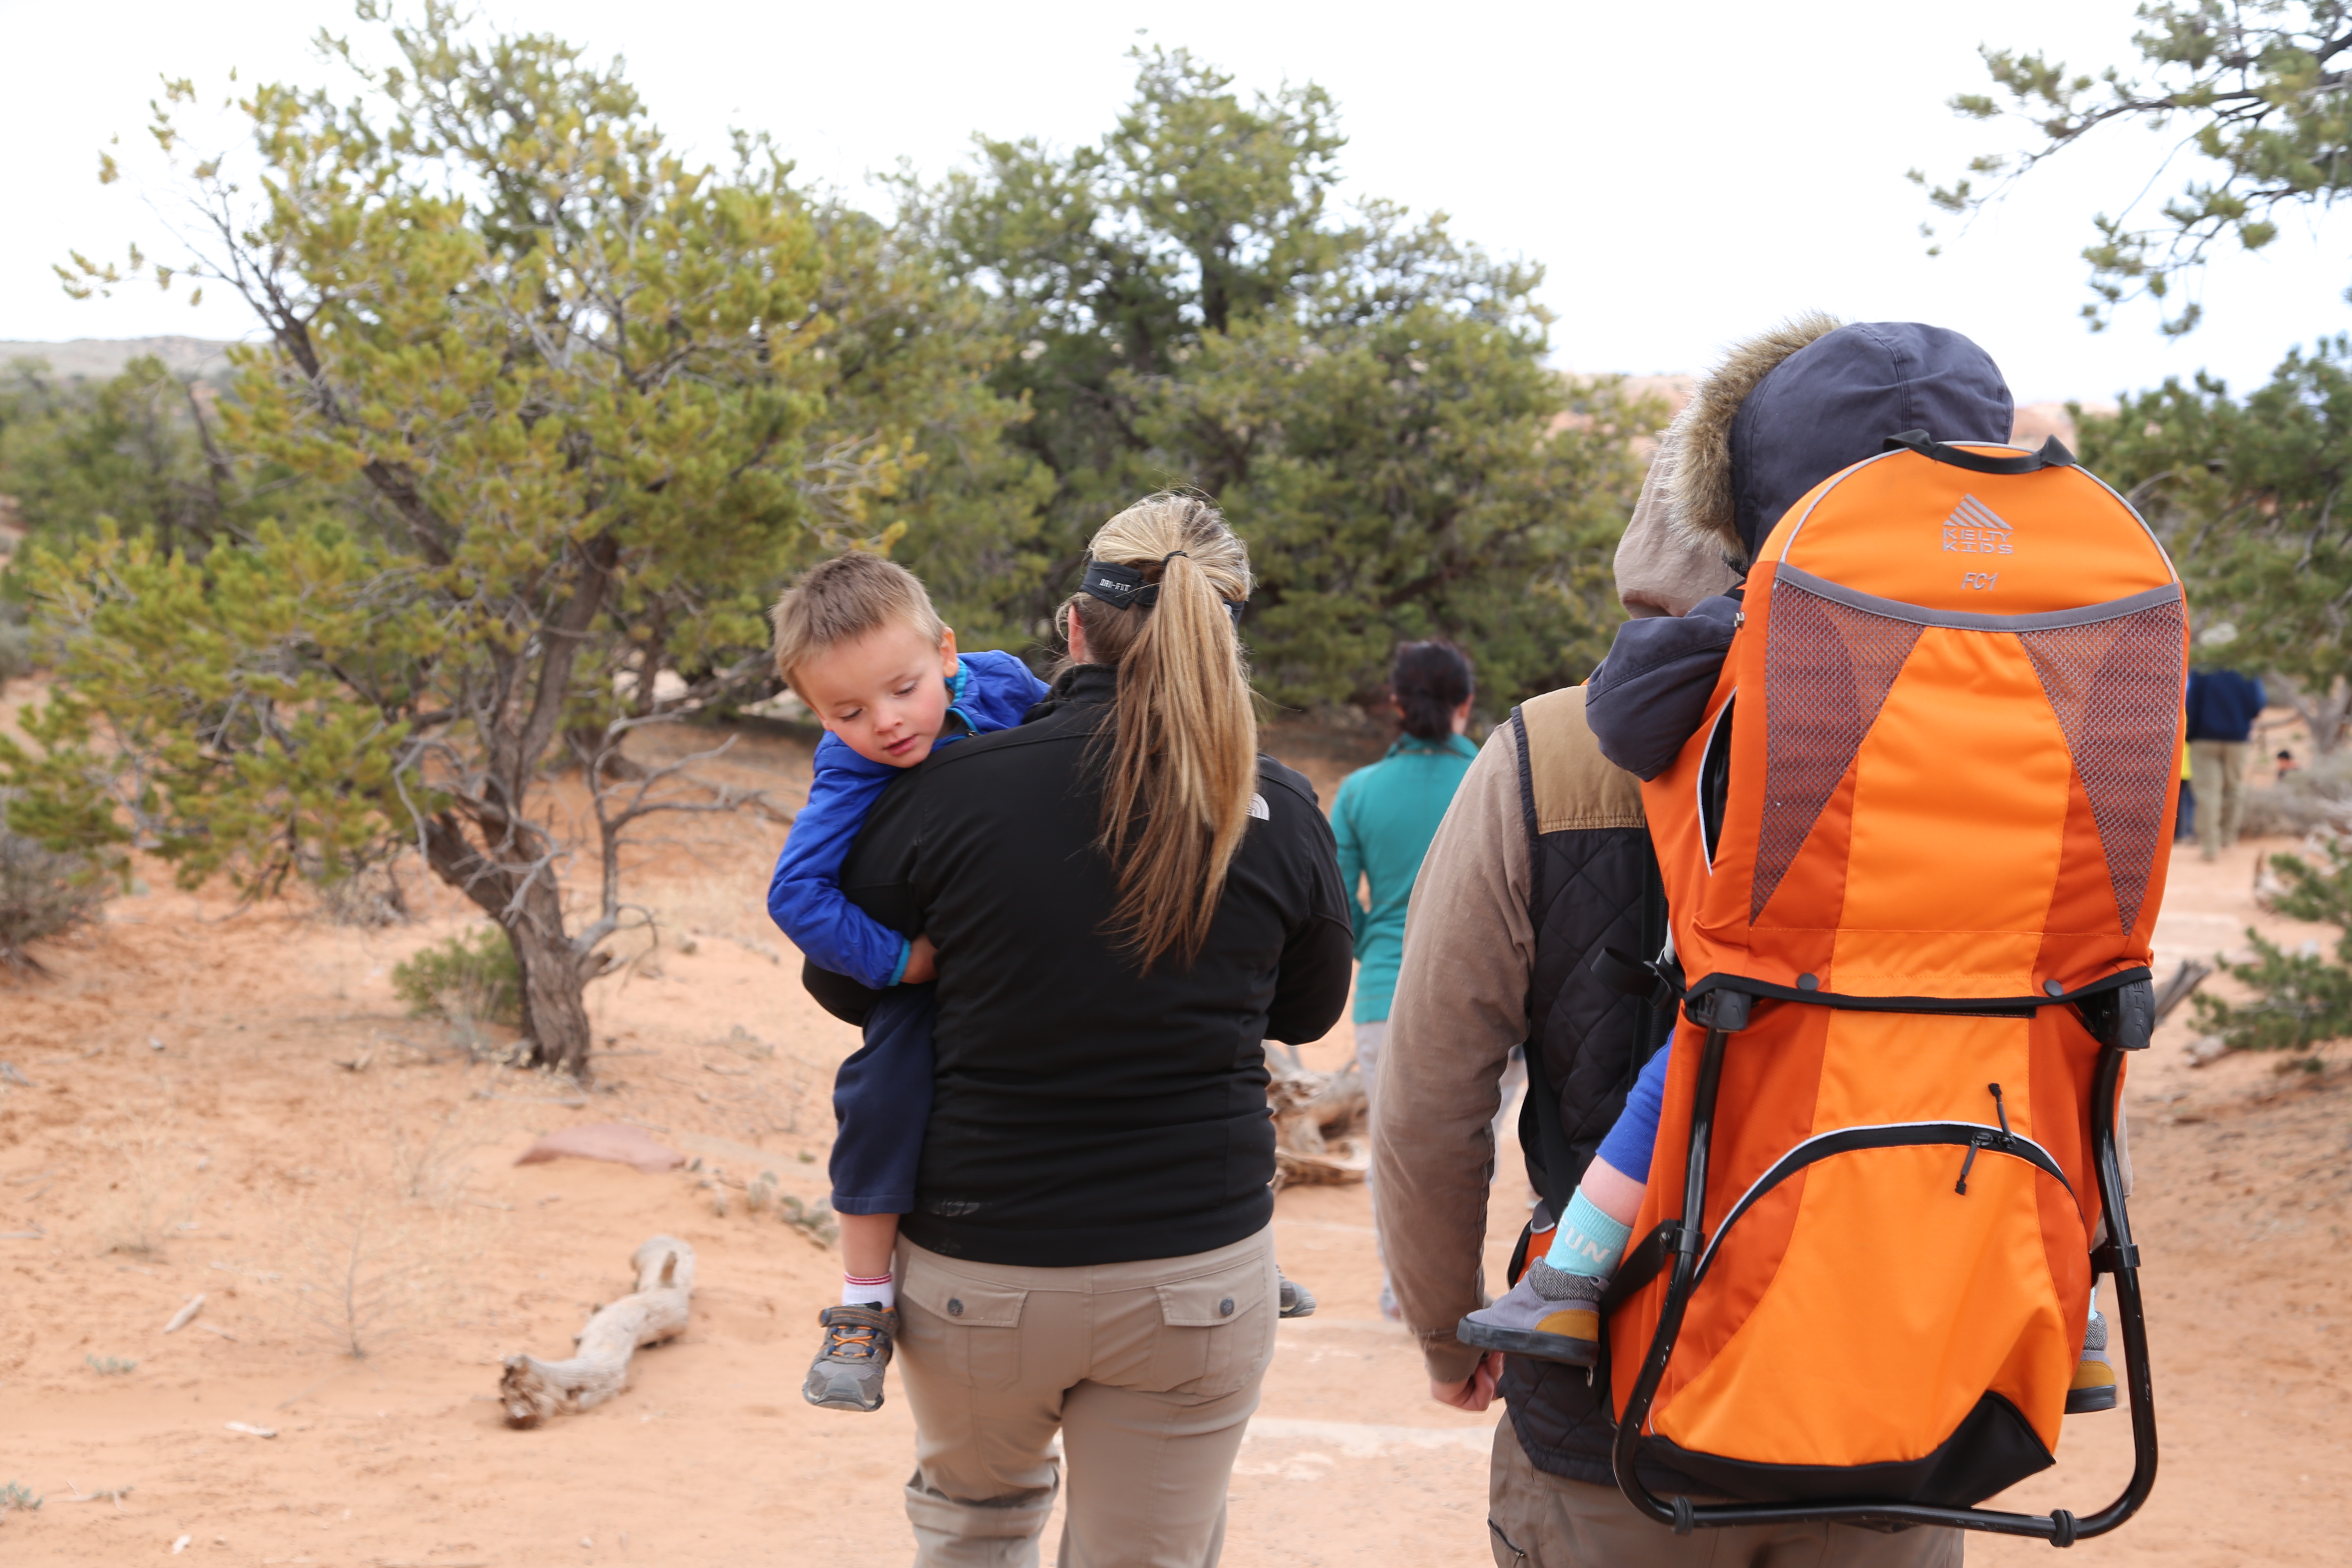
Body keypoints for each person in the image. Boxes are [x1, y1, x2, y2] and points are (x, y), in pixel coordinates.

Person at [1373, 315, 1959, 1565]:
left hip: (1615, 1404)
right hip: (1894, 1383)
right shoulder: (1977, 749)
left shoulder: (1552, 748)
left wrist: (1445, 1330)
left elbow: (1430, 1096)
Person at [804, 493, 1354, 1565]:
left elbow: (843, 978)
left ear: (1071, 628)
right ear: (1220, 634)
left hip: (978, 1263)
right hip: (1193, 1267)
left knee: (972, 1530)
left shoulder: (946, 792)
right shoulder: (1276, 804)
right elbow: (1305, 1010)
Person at [762, 551, 1049, 1412]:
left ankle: (1238, 1239)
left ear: (948, 653)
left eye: (903, 688)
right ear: (816, 712)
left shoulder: (1006, 688)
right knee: (881, 1087)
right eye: (847, 710)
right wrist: (899, 962)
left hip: (1045, 933)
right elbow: (796, 894)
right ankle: (862, 1303)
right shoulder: (848, 769)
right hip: (935, 966)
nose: (885, 724)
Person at [1332, 640, 1480, 1318]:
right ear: (1465, 703)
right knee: (1470, 1152)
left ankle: (1403, 1288)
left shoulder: (1360, 791)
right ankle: (1460, 1287)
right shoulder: (1496, 779)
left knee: (1392, 1149)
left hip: (1385, 993)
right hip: (1481, 997)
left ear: (1394, 704)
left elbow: (1337, 902)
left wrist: (1379, 945)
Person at [2186, 659, 2267, 860]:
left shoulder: (2202, 670)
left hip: (2204, 739)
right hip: (2238, 740)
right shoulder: (2247, 669)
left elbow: (2191, 703)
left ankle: (2209, 847)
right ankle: (2227, 840)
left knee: (2207, 792)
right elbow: (2258, 704)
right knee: (2234, 788)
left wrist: (2192, 733)